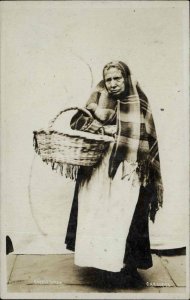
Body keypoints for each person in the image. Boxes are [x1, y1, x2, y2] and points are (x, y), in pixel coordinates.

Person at [65, 61, 163, 288]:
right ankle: (103, 270)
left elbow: (146, 136)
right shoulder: (97, 97)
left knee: (126, 214)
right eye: (108, 79)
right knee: (99, 215)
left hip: (128, 168)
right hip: (98, 168)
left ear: (126, 78)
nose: (112, 84)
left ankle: (128, 269)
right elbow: (77, 122)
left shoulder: (139, 100)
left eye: (117, 78)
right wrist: (101, 126)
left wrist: (117, 131)